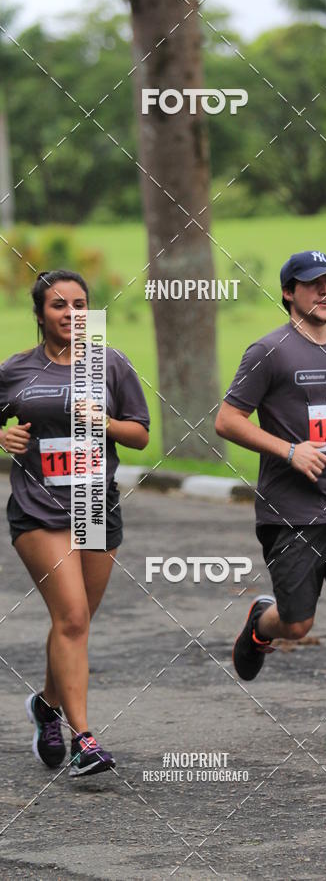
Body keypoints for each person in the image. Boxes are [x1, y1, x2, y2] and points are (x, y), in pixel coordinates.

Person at [215, 250, 326, 758]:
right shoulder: (269, 351)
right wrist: (289, 451)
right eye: (313, 283)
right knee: (298, 624)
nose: (325, 291)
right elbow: (227, 420)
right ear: (288, 292)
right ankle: (261, 624)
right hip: (290, 512)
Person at [0, 270, 150, 776]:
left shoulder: (111, 364)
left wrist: (104, 422)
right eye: (59, 305)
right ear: (40, 313)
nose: (71, 314)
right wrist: (2, 438)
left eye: (80, 305)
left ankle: (47, 705)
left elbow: (140, 434)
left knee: (76, 622)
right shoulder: (17, 369)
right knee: (71, 617)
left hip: (94, 505)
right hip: (38, 510)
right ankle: (84, 740)